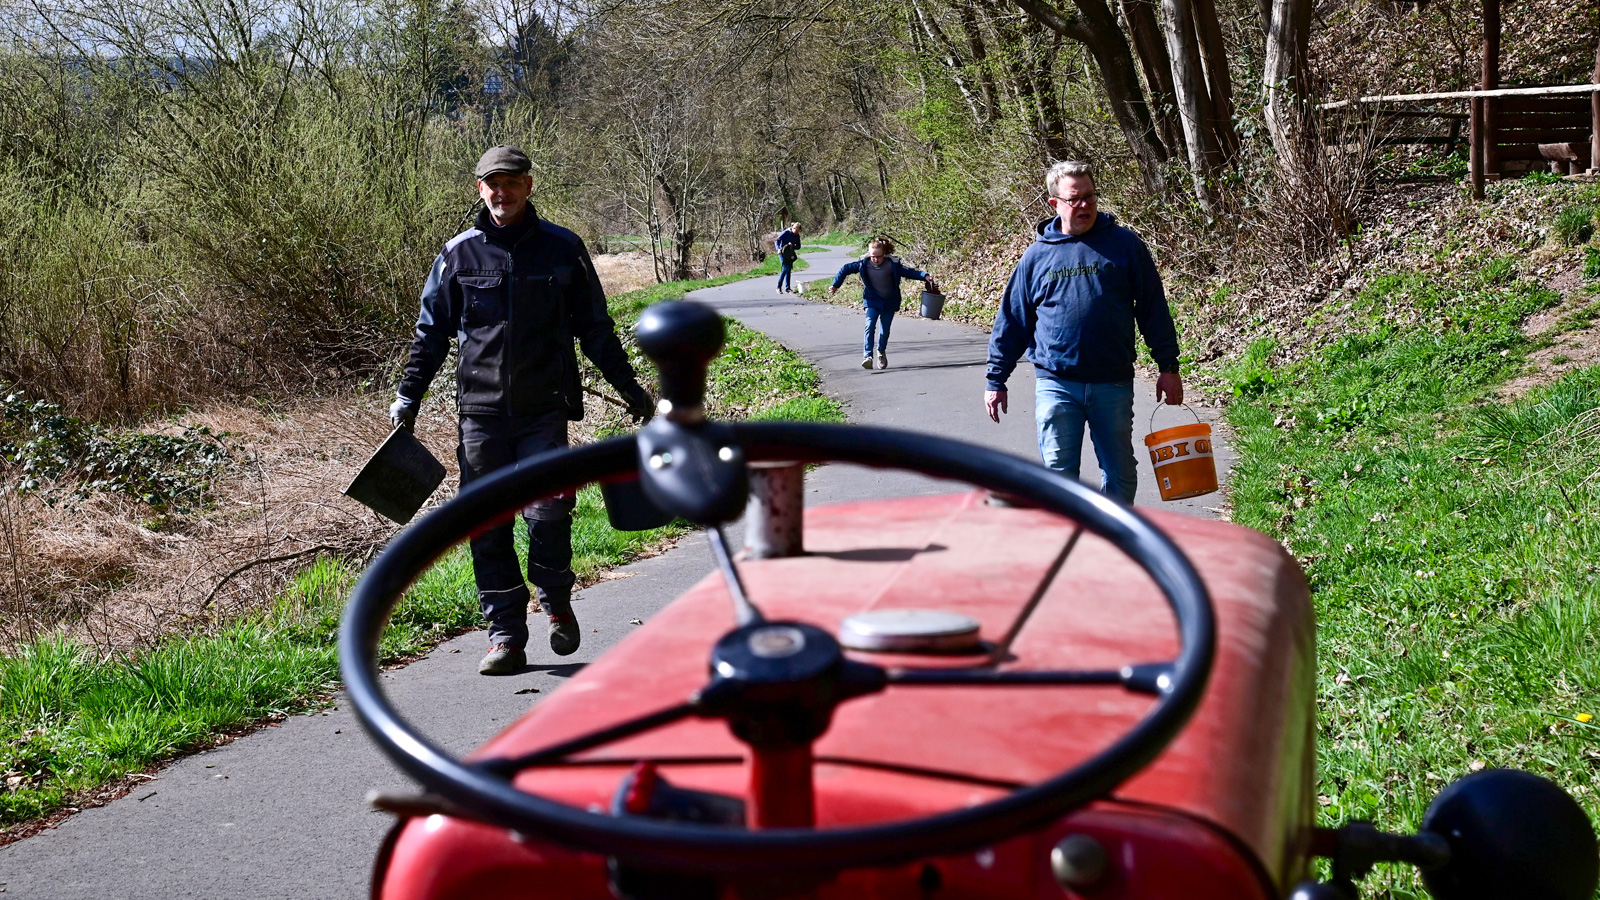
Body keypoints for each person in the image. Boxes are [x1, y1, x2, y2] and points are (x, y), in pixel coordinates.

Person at [390, 145, 656, 675]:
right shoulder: (457, 255)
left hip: (544, 411)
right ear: (479, 189)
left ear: (528, 186)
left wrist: (634, 394)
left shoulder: (563, 249)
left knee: (548, 511)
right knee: (486, 523)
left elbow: (596, 332)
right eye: (492, 183)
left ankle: (555, 600)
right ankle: (506, 634)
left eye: (511, 182)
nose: (501, 192)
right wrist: (408, 396)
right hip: (481, 417)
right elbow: (431, 335)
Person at [983, 160, 1182, 504]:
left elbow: (1152, 308)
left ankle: (1115, 542)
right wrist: (995, 380)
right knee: (1059, 475)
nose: (1085, 205)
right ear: (1055, 204)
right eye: (1074, 199)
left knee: (1120, 471)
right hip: (1056, 382)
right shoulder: (1035, 258)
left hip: (1112, 382)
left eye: (1090, 196)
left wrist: (1168, 367)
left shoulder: (1124, 246)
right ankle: (1070, 547)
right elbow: (1012, 321)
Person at [828, 236, 934, 370]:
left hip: (889, 301)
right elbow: (845, 269)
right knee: (869, 325)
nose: (875, 260)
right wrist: (835, 285)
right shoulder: (864, 264)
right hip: (872, 300)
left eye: (878, 256)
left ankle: (881, 352)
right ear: (869, 254)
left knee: (884, 331)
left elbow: (909, 272)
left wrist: (924, 276)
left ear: (884, 254)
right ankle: (867, 356)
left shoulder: (892, 264)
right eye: (873, 256)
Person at [774, 223, 802, 294]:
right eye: (794, 228)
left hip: (790, 253)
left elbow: (798, 246)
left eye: (797, 229)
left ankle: (788, 288)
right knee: (785, 268)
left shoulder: (797, 236)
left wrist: (793, 245)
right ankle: (779, 287)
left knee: (788, 270)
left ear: (799, 230)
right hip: (782, 252)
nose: (795, 230)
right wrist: (778, 249)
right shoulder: (786, 232)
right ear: (792, 227)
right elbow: (777, 241)